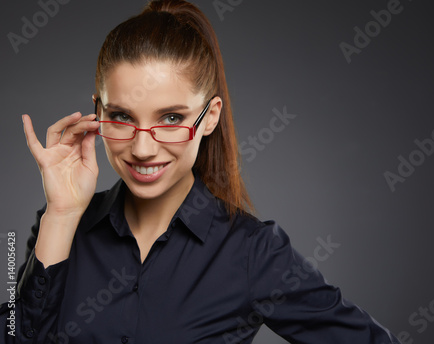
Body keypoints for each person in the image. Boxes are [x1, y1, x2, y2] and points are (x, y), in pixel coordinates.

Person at [1, 0, 401, 343]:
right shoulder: (61, 226)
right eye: (121, 116)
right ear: (99, 112)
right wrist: (62, 216)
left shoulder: (252, 253)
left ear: (209, 117)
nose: (142, 148)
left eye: (171, 117)